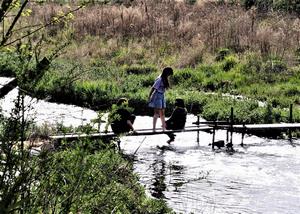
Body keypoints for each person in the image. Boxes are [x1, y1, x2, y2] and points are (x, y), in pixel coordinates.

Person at [148, 67, 173, 132]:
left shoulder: (165, 79)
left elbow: (166, 88)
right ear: (166, 73)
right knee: (156, 113)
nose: (169, 76)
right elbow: (153, 88)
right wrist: (149, 97)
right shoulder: (160, 79)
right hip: (157, 95)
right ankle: (154, 129)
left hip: (162, 96)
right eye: (169, 74)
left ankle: (163, 128)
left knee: (162, 113)